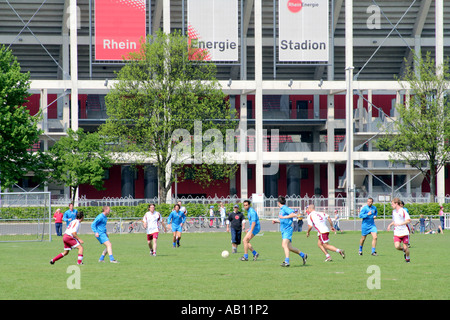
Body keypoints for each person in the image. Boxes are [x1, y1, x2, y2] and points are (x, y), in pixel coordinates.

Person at [272, 196, 307, 267]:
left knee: (284, 245)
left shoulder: (285, 208)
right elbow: (283, 220)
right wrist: (277, 221)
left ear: (278, 203)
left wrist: (284, 217)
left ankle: (286, 262)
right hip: (284, 230)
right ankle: (303, 255)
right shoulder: (282, 209)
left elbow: (293, 214)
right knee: (289, 247)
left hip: (287, 229)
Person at [387, 197, 411, 263]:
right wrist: (390, 225)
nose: (391, 205)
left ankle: (408, 258)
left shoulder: (403, 211)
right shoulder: (394, 212)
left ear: (396, 203)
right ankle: (404, 251)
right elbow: (395, 221)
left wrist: (400, 224)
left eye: (392, 204)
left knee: (406, 248)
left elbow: (408, 220)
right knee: (397, 247)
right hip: (397, 232)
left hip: (404, 232)